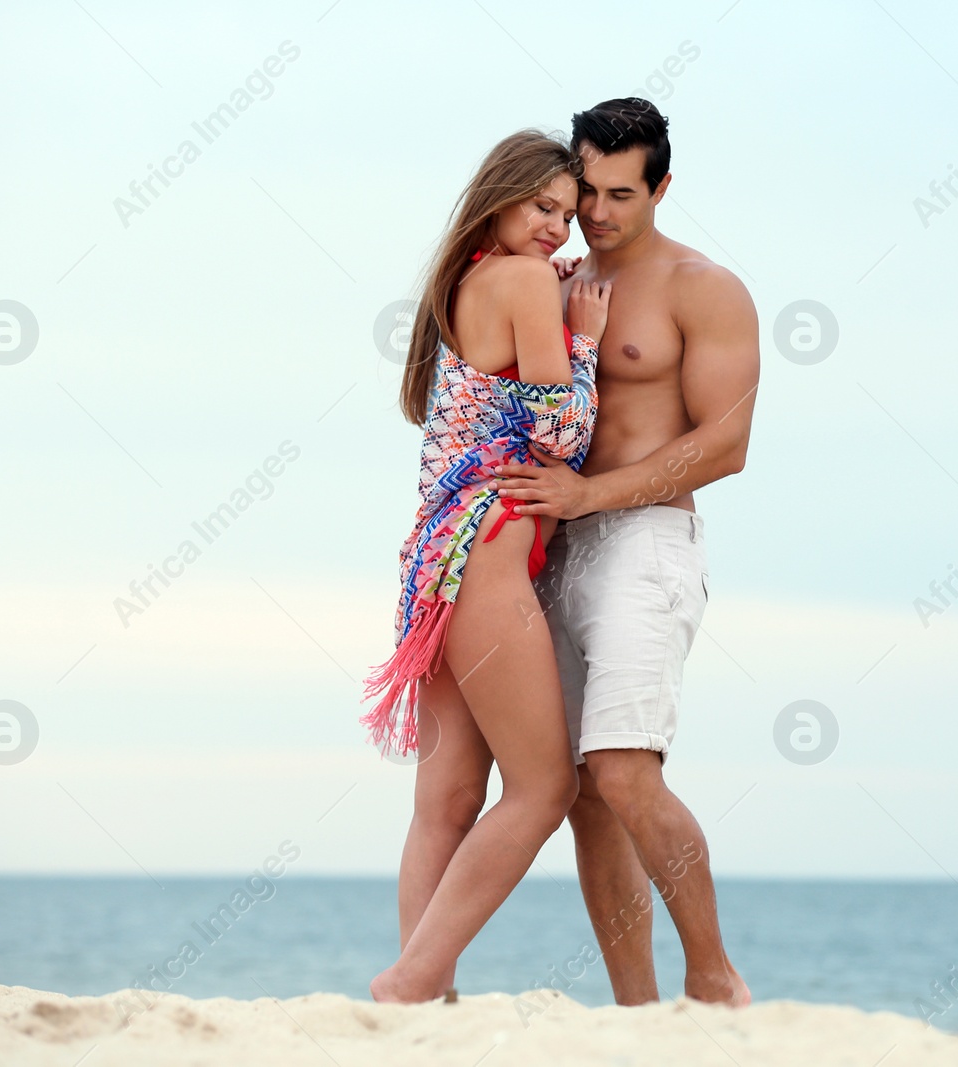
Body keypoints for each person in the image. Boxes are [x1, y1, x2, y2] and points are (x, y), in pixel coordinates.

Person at [493, 98, 760, 1008]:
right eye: (586, 190)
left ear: (661, 187)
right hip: (557, 548)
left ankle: (717, 982)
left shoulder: (704, 287)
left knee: (623, 766)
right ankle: (638, 1016)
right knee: (580, 793)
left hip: (647, 544)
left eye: (618, 193)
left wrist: (590, 494)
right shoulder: (557, 278)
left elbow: (725, 444)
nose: (596, 212)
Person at [360, 129, 612, 1003]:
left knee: (448, 798)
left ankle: (423, 1000)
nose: (557, 228)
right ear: (500, 195)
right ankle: (414, 979)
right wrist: (583, 340)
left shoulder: (466, 281)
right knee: (545, 787)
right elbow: (560, 435)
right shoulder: (525, 282)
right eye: (543, 206)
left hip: (435, 563)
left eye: (568, 213)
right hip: (487, 562)